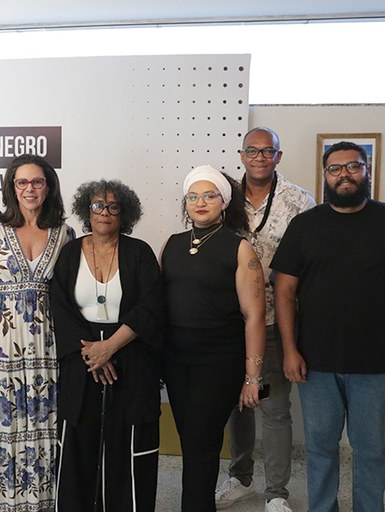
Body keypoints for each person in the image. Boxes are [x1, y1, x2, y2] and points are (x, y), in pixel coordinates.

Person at [272, 141, 385, 512]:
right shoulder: (305, 225)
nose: (344, 174)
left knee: (372, 453)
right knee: (320, 450)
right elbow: (284, 290)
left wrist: (384, 304)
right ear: (325, 174)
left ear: (367, 170)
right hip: (315, 361)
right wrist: (290, 349)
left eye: (353, 166)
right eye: (335, 168)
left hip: (374, 362)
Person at [0, 154, 74, 511]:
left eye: (37, 182)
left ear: (48, 187)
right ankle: (6, 497)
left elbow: (71, 292)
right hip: (3, 342)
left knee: (47, 417)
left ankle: (44, 498)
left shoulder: (65, 233)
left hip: (49, 342)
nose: (29, 189)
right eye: (22, 182)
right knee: (3, 417)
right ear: (12, 187)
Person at [215, 127, 315, 512]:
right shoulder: (224, 197)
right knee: (237, 404)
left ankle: (276, 493)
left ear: (279, 156)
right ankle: (240, 480)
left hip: (275, 321)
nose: (259, 157)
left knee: (273, 408)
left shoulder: (299, 200)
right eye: (251, 150)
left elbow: (311, 259)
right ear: (241, 155)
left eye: (267, 151)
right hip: (230, 321)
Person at [51, 179, 164, 512]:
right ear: (87, 211)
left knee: (126, 447)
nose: (105, 212)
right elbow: (60, 306)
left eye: (113, 206)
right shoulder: (71, 253)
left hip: (129, 358)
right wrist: (92, 353)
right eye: (98, 205)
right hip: (81, 360)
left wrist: (110, 347)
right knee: (77, 445)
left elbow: (151, 306)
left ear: (124, 213)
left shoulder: (139, 253)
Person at [161, 165, 266, 512]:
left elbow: (254, 317)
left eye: (209, 195)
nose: (200, 202)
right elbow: (160, 307)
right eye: (193, 196)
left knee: (203, 443)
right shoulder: (172, 245)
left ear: (224, 202)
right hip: (176, 362)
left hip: (219, 361)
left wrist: (252, 377)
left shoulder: (239, 250)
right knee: (192, 441)